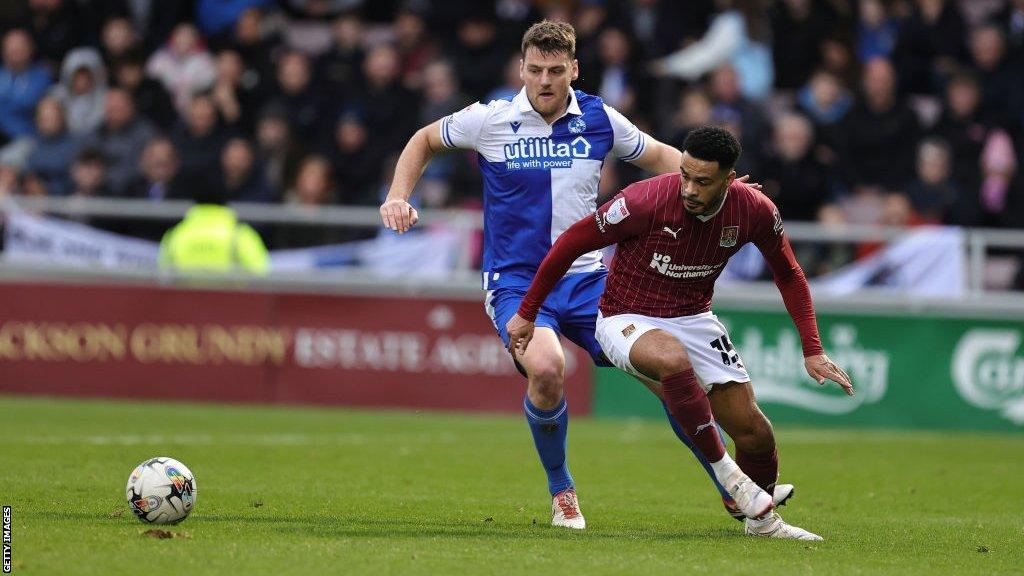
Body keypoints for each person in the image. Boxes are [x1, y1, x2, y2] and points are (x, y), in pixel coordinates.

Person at [380, 20, 790, 530]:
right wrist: (399, 195)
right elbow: (423, 139)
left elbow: (664, 158)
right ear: (521, 68)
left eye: (555, 70)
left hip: (589, 281)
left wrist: (719, 185)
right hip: (516, 283)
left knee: (671, 377)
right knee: (548, 369)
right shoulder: (490, 119)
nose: (545, 81)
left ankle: (731, 489)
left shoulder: (599, 119)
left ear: (574, 69)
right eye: (534, 70)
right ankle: (562, 494)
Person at [506, 126, 854, 540]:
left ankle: (757, 521)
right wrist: (527, 312)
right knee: (671, 360)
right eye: (685, 175)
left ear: (729, 178)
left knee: (756, 433)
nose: (689, 188)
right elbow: (569, 243)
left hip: (694, 317)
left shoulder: (755, 210)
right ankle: (732, 479)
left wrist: (812, 348)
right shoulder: (643, 200)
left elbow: (790, 274)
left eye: (702, 181)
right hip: (624, 316)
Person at [159, 182, 269, 274]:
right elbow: (261, 272)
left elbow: (162, 274)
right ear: (226, 202)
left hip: (185, 299)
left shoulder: (174, 234)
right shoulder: (240, 234)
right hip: (231, 299)